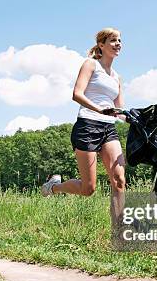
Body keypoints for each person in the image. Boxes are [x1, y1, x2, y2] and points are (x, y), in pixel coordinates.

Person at [41, 28, 126, 220]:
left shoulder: (117, 77)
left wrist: (142, 119)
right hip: (88, 125)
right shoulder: (91, 65)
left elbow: (120, 110)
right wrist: (99, 109)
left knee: (119, 180)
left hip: (108, 129)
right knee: (88, 189)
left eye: (120, 40)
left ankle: (120, 230)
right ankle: (53, 187)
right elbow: (77, 94)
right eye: (113, 40)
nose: (118, 43)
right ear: (101, 45)